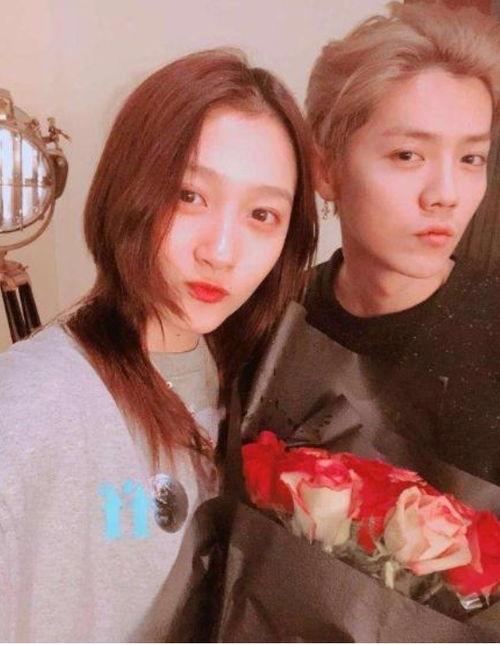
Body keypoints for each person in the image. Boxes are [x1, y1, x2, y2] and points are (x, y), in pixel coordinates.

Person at [0, 49, 318, 642]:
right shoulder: (27, 408)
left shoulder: (257, 390)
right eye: (189, 195)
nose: (220, 251)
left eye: (262, 214)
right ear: (128, 190)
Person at [303, 1, 500, 484]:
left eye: (471, 158)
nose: (446, 195)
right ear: (326, 170)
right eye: (408, 155)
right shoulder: (271, 316)